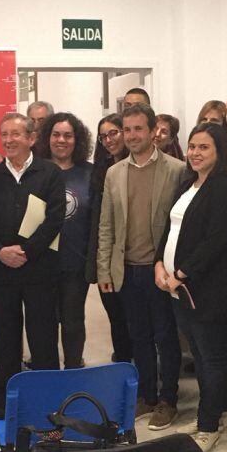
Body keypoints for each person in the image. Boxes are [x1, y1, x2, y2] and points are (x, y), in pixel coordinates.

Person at [97, 104, 188, 429]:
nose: (132, 135)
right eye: (128, 129)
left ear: (153, 132)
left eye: (139, 129)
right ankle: (147, 396)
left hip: (159, 270)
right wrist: (104, 269)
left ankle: (168, 400)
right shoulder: (114, 172)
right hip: (127, 269)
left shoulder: (177, 169)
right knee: (138, 337)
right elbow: (106, 225)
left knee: (165, 336)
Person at [155, 124, 227, 452]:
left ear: (219, 152)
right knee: (201, 356)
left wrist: (182, 272)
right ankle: (209, 415)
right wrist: (158, 265)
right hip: (178, 288)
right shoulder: (188, 185)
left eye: (204, 147)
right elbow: (169, 230)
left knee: (212, 359)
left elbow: (216, 241)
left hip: (209, 290)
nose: (194, 153)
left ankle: (209, 424)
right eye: (192, 146)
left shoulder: (224, 189)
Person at [0, 113, 64, 419]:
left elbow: (55, 218)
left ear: (31, 138)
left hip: (40, 269)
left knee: (43, 338)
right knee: (6, 338)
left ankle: (48, 401)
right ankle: (3, 402)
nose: (8, 140)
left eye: (15, 134)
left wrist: (27, 251)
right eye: (4, 134)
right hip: (0, 270)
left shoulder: (50, 173)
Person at [41, 112, 93, 369]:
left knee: (73, 322)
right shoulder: (36, 169)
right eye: (56, 134)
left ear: (77, 139)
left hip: (76, 262)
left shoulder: (89, 173)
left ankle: (73, 368)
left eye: (68, 135)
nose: (61, 140)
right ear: (47, 137)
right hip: (42, 262)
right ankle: (48, 373)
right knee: (44, 323)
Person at [88, 114, 132, 366]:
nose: (108, 140)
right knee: (116, 318)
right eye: (103, 136)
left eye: (114, 133)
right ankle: (124, 367)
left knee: (135, 320)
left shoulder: (137, 167)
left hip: (133, 257)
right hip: (105, 256)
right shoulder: (100, 171)